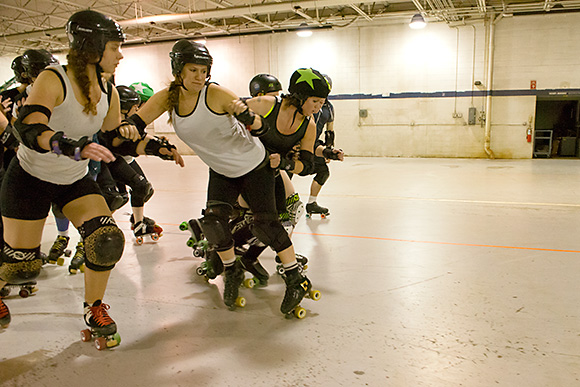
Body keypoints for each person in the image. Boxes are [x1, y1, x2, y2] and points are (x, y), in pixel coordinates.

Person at [0, 9, 183, 341]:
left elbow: (113, 140)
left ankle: (94, 307)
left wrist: (153, 148)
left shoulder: (108, 89)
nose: (120, 54)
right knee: (21, 267)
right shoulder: (54, 79)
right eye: (114, 47)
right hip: (29, 177)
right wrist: (70, 145)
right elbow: (29, 127)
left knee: (107, 240)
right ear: (92, 46)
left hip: (73, 178)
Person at [132, 39, 315, 315]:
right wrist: (126, 129)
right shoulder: (166, 98)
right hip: (221, 170)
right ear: (178, 70)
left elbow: (251, 117)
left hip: (255, 166)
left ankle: (295, 278)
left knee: (266, 225)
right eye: (192, 70)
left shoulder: (214, 93)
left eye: (204, 70)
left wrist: (249, 118)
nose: (199, 76)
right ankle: (232, 272)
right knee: (214, 224)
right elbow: (136, 121)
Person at [108, 85, 161, 243]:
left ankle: (138, 222)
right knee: (118, 198)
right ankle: (99, 225)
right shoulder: (114, 121)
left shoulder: (134, 118)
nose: (139, 108)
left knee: (145, 189)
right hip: (113, 160)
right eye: (136, 106)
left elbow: (142, 137)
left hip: (128, 160)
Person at [305, 74, 344, 217]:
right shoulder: (307, 102)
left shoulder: (329, 107)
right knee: (287, 172)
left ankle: (311, 203)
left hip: (315, 145)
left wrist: (328, 150)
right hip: (300, 142)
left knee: (323, 171)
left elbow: (329, 131)